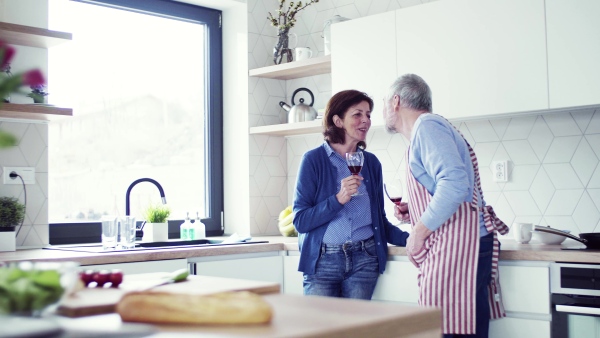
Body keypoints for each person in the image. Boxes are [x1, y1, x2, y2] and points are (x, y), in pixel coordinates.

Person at [381, 74, 509, 338]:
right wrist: (414, 212)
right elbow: (446, 188)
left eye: (384, 102)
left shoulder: (427, 126)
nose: (383, 110)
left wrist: (418, 233)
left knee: (450, 332)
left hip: (460, 248)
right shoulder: (425, 132)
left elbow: (454, 184)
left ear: (396, 101)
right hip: (457, 246)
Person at [293, 89, 410, 300]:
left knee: (356, 330)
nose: (365, 120)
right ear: (338, 121)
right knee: (319, 330)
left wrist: (411, 240)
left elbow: (379, 222)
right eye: (357, 114)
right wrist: (338, 199)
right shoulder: (313, 160)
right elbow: (301, 221)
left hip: (365, 260)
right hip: (322, 262)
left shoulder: (371, 163)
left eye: (368, 115)